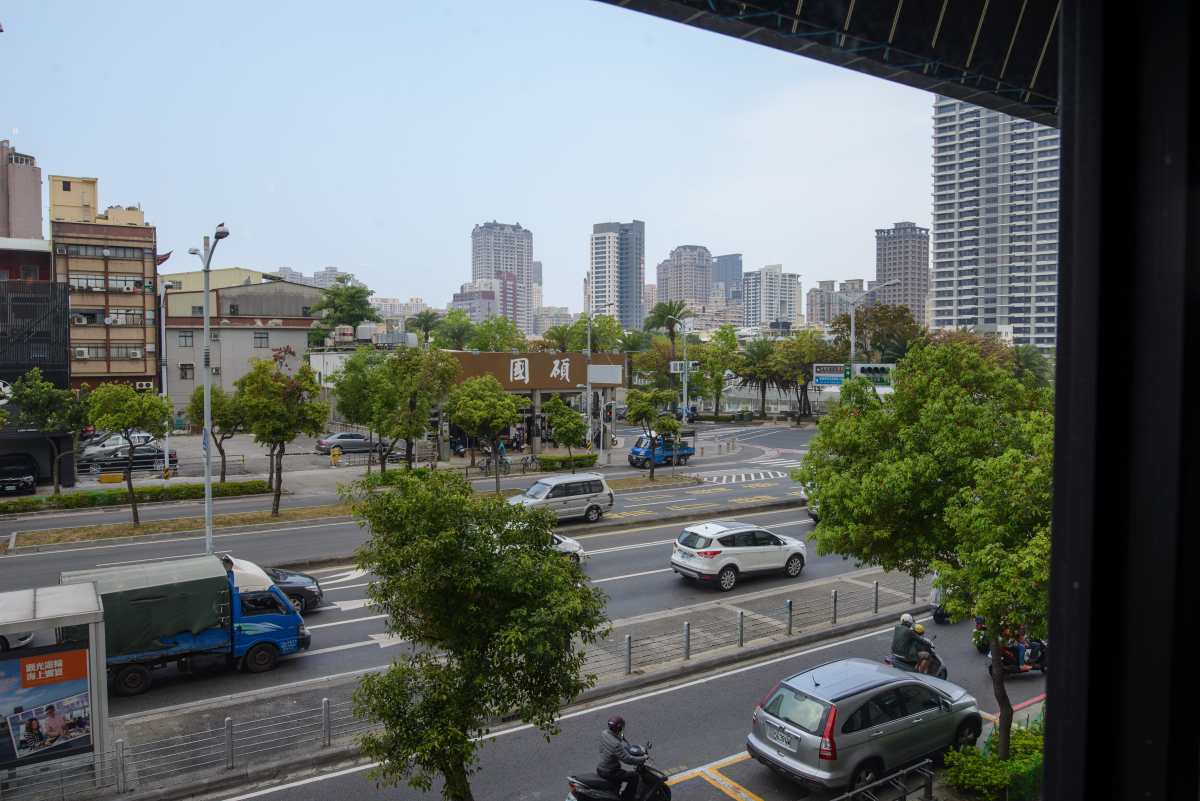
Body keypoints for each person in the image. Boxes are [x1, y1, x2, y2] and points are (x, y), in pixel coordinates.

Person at [597, 716, 645, 801]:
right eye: (622, 728)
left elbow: (608, 748)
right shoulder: (616, 744)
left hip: (601, 767)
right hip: (610, 771)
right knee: (634, 777)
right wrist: (643, 759)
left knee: (618, 782)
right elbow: (628, 759)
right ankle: (627, 798)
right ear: (619, 728)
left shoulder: (604, 733)